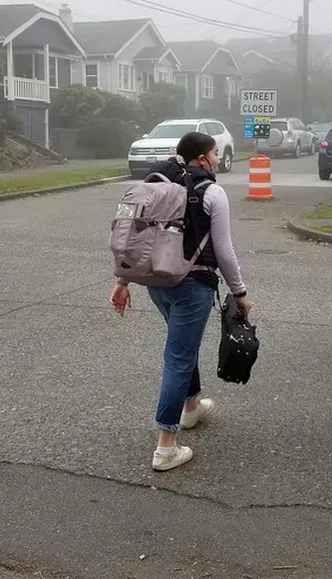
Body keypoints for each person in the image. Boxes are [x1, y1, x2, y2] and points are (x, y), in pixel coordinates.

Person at [109, 132, 252, 472]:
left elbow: (132, 235)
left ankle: (190, 407)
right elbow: (225, 251)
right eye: (215, 153)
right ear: (202, 158)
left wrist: (123, 280)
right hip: (192, 284)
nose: (218, 159)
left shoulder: (155, 183)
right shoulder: (211, 191)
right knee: (178, 356)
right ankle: (165, 446)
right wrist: (240, 292)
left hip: (156, 281)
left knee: (181, 346)